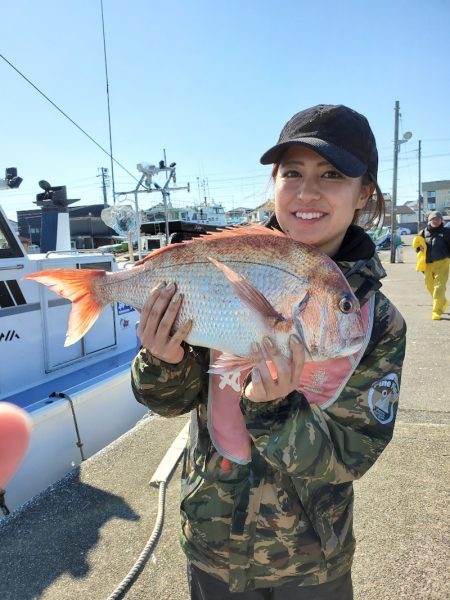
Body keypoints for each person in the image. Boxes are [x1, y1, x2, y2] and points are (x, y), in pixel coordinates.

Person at [131, 104, 407, 599]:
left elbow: (352, 455)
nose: (307, 191)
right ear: (274, 183)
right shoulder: (227, 263)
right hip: (212, 546)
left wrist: (275, 408)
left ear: (365, 192)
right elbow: (167, 403)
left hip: (313, 563)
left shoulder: (376, 321)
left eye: (332, 174)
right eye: (291, 173)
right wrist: (163, 361)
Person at [416, 211, 450, 320]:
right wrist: (418, 248)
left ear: (441, 221)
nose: (435, 221)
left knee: (439, 287)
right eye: (433, 219)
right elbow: (418, 245)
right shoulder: (423, 232)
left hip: (442, 263)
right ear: (429, 221)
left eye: (438, 219)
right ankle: (443, 302)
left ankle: (437, 311)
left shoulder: (446, 232)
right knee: (430, 286)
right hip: (428, 264)